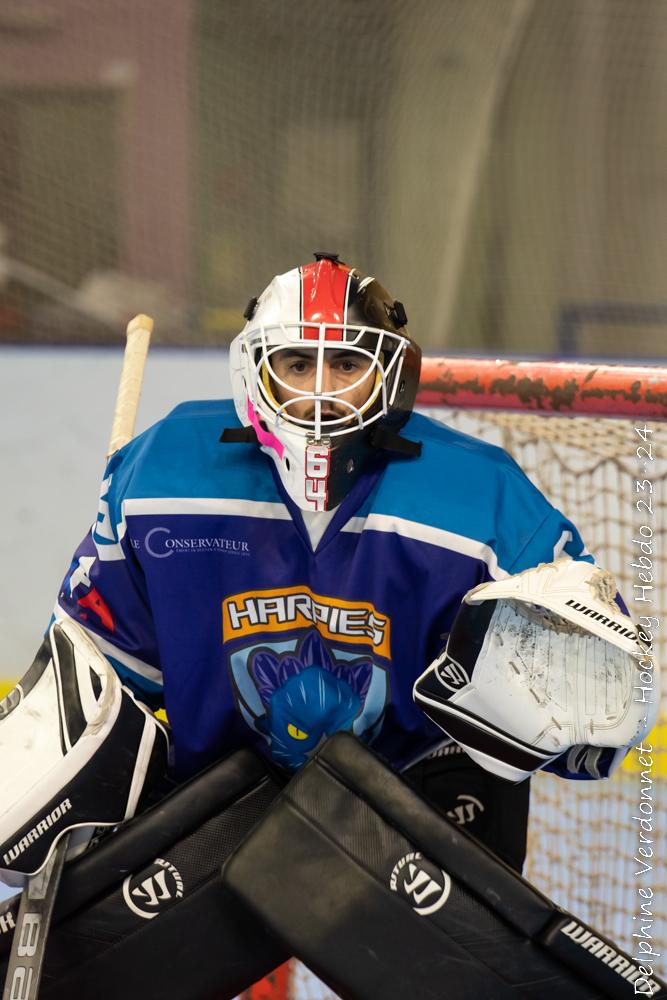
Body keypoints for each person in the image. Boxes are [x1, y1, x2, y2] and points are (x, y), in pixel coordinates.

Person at [49, 252, 630, 872]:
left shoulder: (482, 494)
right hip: (215, 793)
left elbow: (591, 694)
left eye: (347, 363)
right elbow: (95, 675)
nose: (322, 389)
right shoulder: (162, 471)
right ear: (255, 371)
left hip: (415, 792)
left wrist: (566, 689)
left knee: (440, 964)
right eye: (298, 363)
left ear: (389, 373)